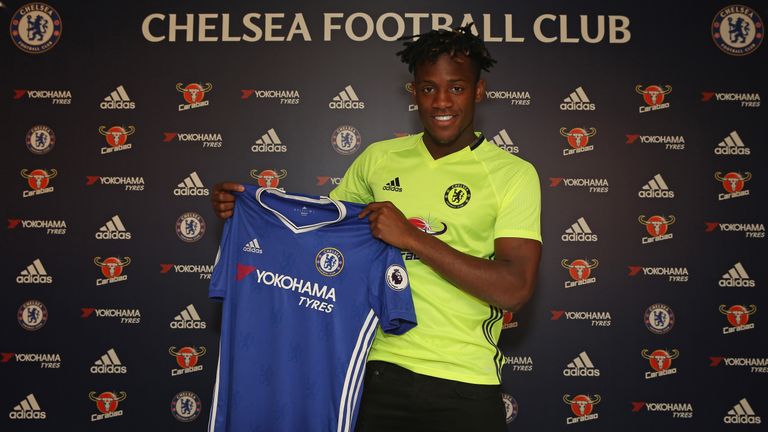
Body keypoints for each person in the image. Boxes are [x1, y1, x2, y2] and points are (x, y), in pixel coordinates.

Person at [211, 25, 541, 432]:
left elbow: (515, 287)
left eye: (456, 88)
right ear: (414, 91)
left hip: (466, 381)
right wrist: (250, 213)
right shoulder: (378, 160)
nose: (441, 102)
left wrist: (411, 238)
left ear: (478, 91)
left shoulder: (513, 175)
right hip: (377, 373)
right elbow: (319, 236)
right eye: (427, 88)